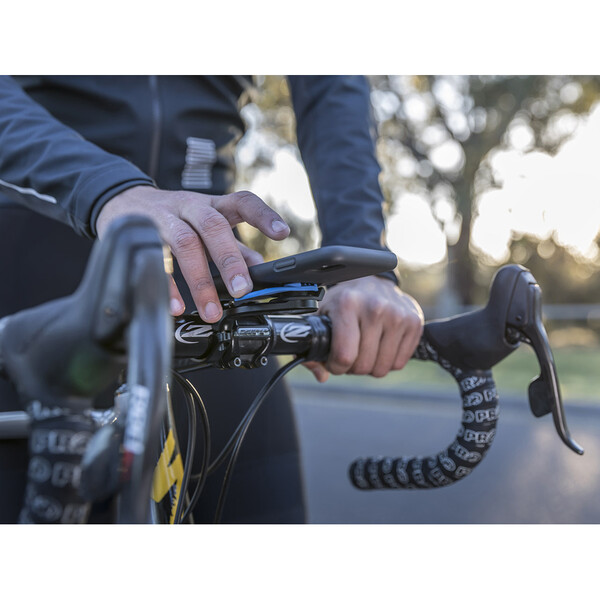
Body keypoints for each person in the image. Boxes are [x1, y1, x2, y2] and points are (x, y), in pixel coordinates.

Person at [0, 75, 424, 523]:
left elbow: (331, 84)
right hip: (32, 254)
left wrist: (360, 261)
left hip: (208, 274)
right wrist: (106, 188)